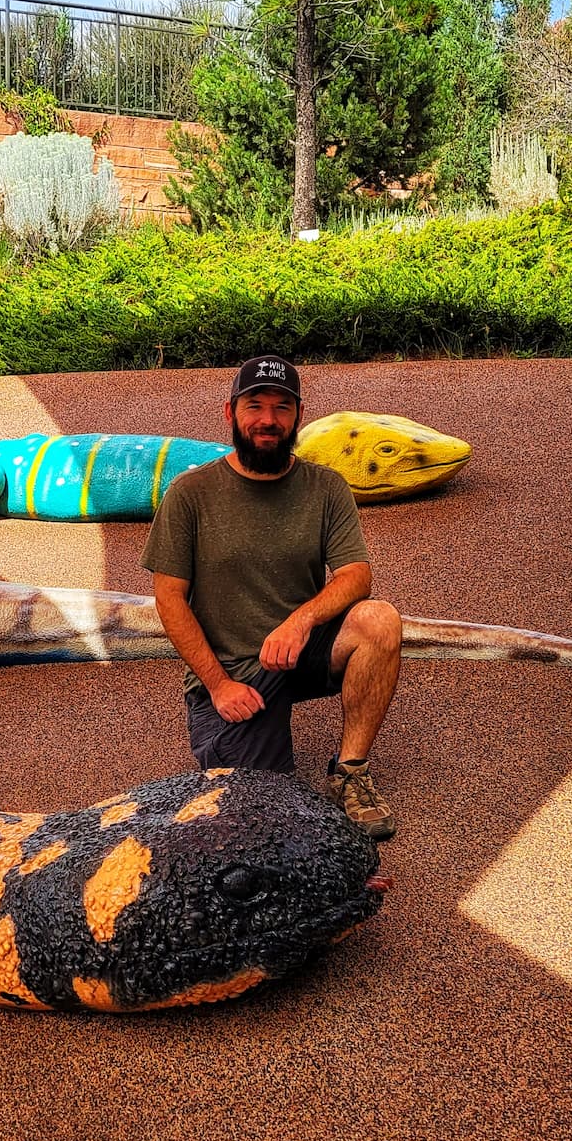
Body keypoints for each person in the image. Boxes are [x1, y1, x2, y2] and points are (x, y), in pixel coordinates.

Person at [142, 355, 403, 840]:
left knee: (379, 619)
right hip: (234, 669)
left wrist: (300, 622)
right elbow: (169, 599)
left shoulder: (326, 487)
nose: (268, 419)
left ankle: (350, 771)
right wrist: (218, 685)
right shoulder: (190, 493)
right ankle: (242, 728)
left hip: (301, 651)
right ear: (230, 413)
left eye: (282, 407)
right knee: (261, 816)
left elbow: (356, 575)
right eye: (255, 406)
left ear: (298, 415)